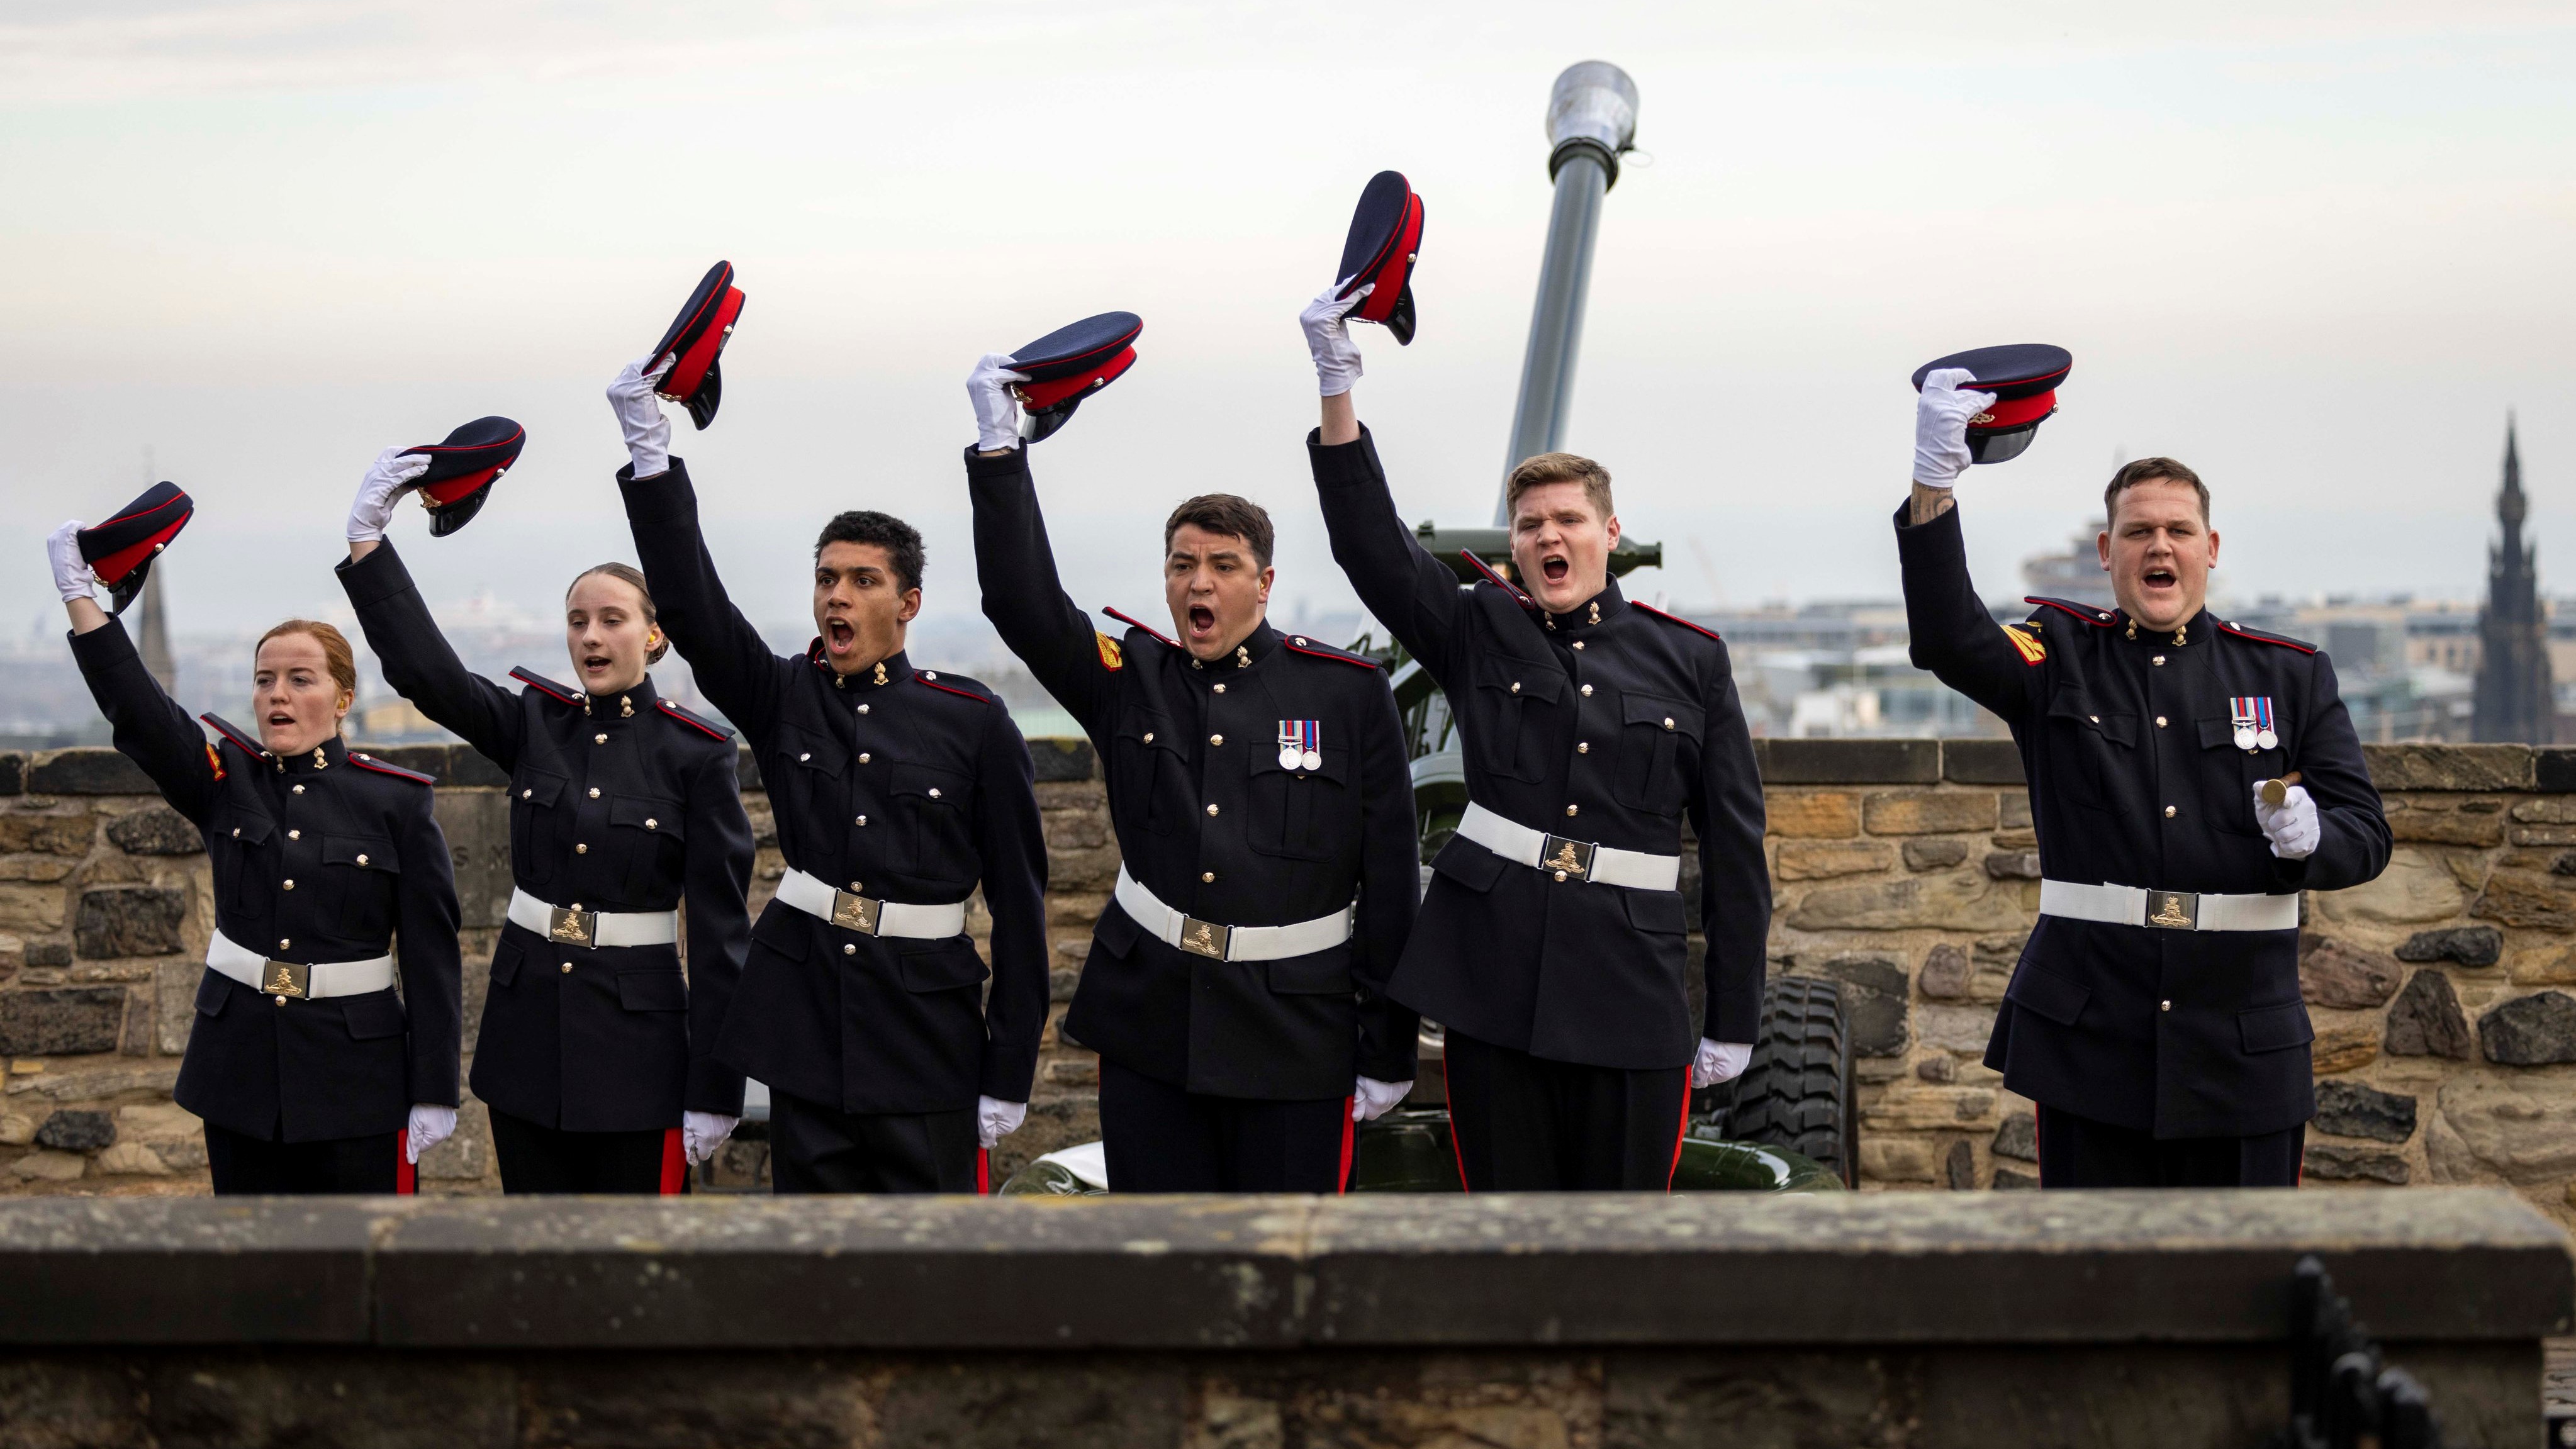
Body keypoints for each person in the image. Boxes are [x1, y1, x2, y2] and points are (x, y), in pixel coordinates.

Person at [1297, 285, 1767, 1192]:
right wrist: (1336, 381)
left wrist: (1733, 1014)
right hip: (1493, 982)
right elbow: (1369, 544)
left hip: (1630, 993)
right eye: (1529, 525)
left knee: (1622, 1245)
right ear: (1512, 545)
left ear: (1609, 532)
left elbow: (1734, 850)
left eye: (1568, 520)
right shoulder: (1476, 628)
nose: (1547, 535)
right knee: (1503, 1236)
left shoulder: (1691, 662)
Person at [1895, 369, 2391, 1187]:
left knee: (2241, 1289)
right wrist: (1933, 484)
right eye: (2136, 532)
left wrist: (2313, 839)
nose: (2158, 546)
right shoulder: (2056, 658)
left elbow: (2366, 834)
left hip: (2241, 1047)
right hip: (2092, 1039)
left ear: (2209, 547)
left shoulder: (2289, 675)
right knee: (2096, 1288)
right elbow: (1948, 638)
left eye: (2176, 529)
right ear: (2106, 551)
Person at [963, 352, 1420, 1194]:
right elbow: (1021, 605)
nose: (1197, 581)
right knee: (1162, 1266)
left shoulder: (1344, 695)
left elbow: (1389, 882)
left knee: (1286, 1264)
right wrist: (1000, 448)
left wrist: (1386, 1043)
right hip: (1153, 1024)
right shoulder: (1130, 678)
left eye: (1221, 564)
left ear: (1264, 581)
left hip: (1295, 1034)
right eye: (1181, 564)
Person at [605, 357, 1048, 1194]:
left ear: (907, 602)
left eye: (862, 580)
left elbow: (1021, 906)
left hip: (928, 1039)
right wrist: (649, 448)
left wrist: (1011, 1059)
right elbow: (694, 609)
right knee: (811, 1276)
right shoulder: (783, 696)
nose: (836, 597)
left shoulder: (972, 721)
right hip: (805, 1029)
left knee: (930, 1274)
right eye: (826, 578)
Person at [338, 448, 754, 1193]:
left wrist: (714, 1085)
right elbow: (431, 678)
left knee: (634, 1265)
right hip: (527, 1038)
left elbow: (721, 936)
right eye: (577, 621)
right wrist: (369, 542)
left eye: (611, 620)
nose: (591, 636)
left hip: (640, 1052)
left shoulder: (697, 755)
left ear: (652, 636)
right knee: (531, 1259)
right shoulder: (535, 725)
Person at [47, 522, 462, 1194]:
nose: (277, 693)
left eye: (301, 679)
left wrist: (434, 1087)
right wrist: (81, 600)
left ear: (342, 698)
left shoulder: (396, 803)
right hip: (239, 1068)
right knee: (250, 1272)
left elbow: (431, 957)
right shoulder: (225, 781)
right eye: (265, 679)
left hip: (359, 1076)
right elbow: (145, 714)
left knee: (359, 1271)